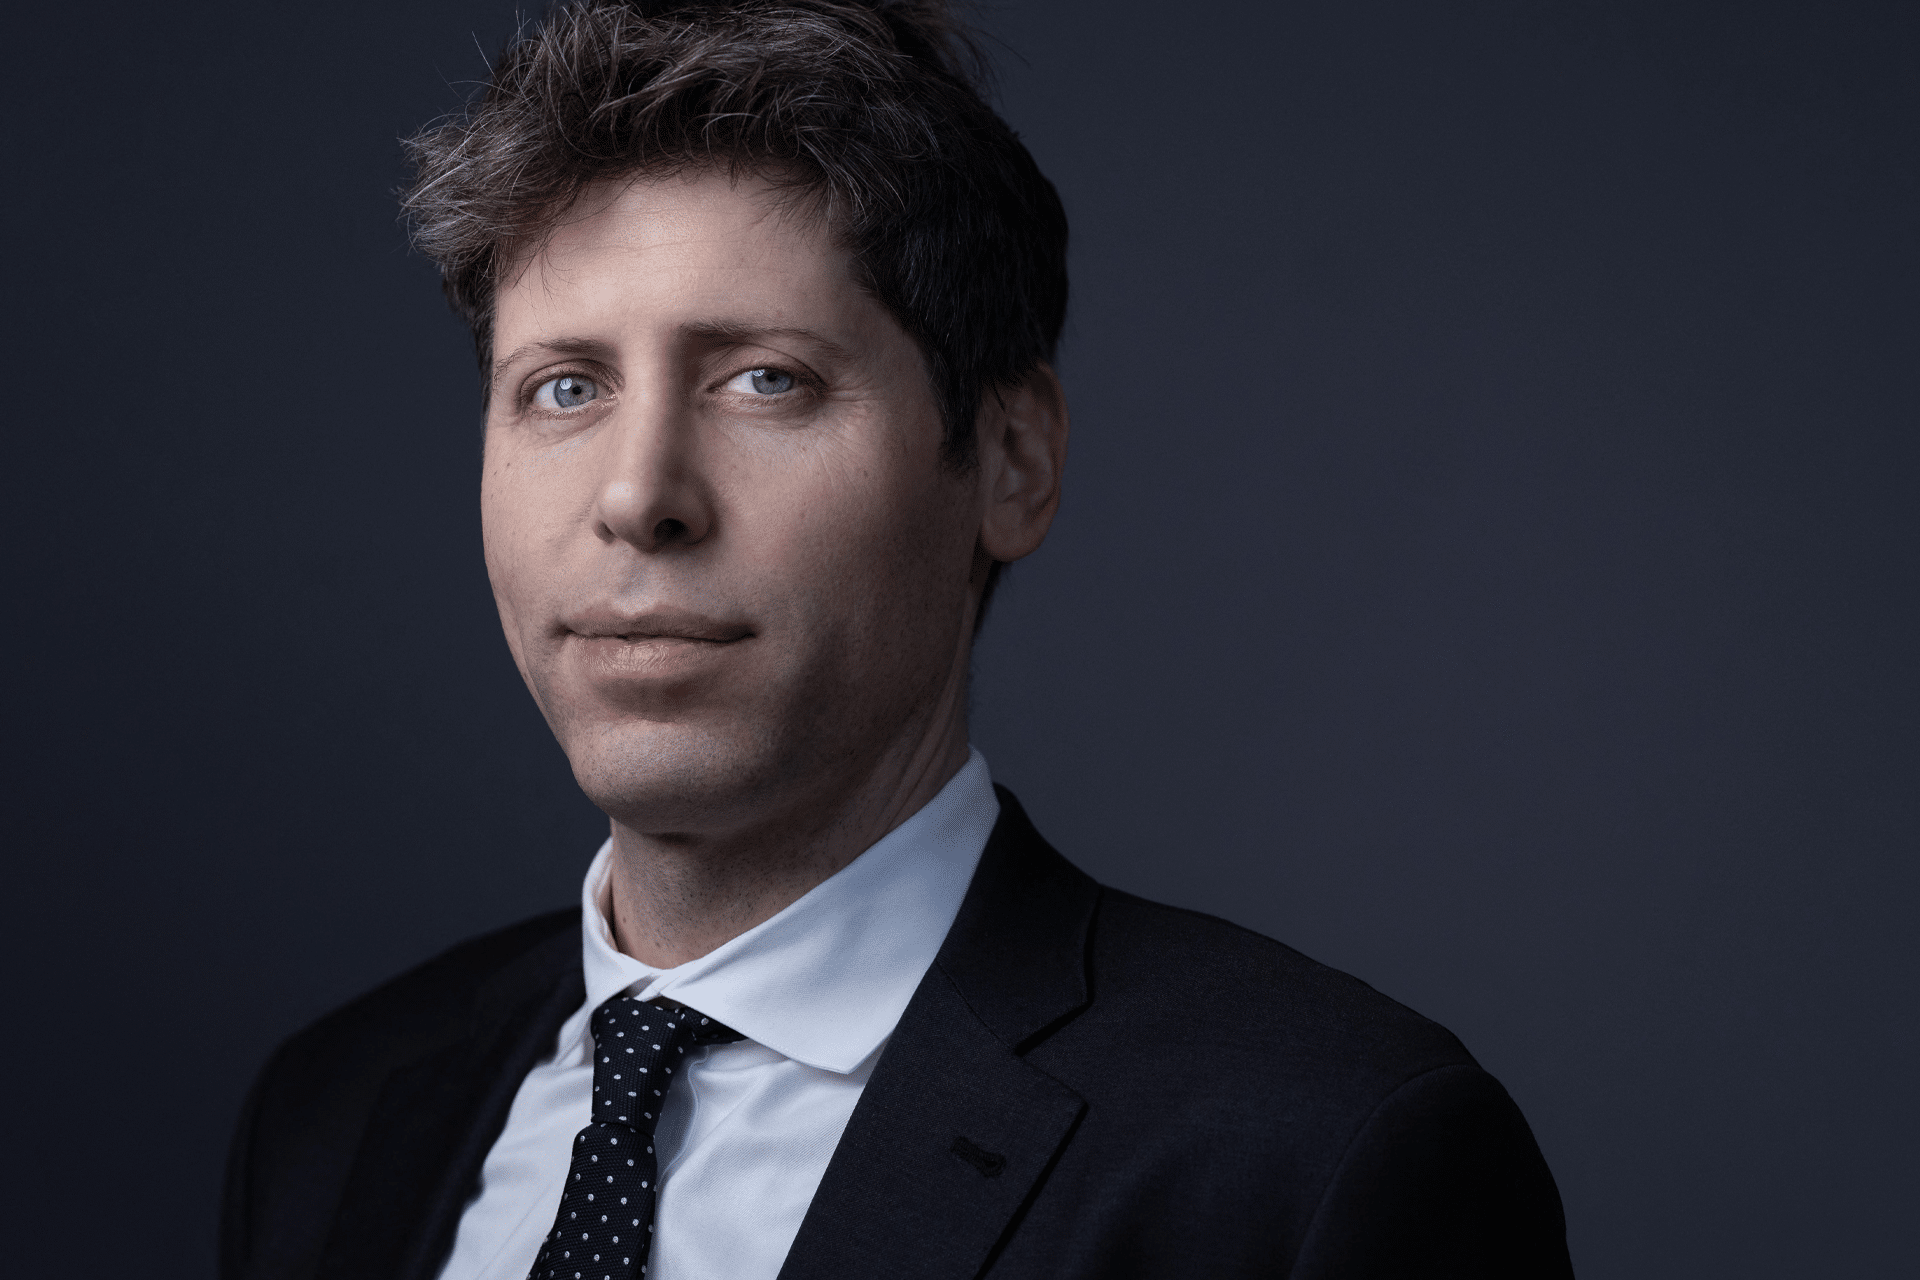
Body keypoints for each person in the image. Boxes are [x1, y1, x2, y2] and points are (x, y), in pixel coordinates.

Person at [220, 2, 1573, 1277]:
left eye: (766, 379)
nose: (638, 497)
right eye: (563, 387)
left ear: (1012, 459)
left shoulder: (1319, 1158)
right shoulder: (337, 1114)